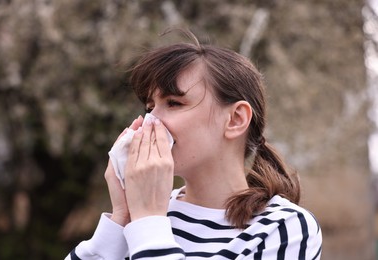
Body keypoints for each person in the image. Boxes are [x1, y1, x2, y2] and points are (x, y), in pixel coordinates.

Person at [65, 30, 322, 260]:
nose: (151, 121)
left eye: (174, 103)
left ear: (235, 119)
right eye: (150, 107)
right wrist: (123, 217)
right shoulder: (144, 216)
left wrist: (148, 224)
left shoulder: (283, 228)